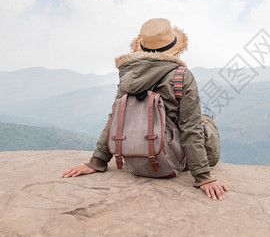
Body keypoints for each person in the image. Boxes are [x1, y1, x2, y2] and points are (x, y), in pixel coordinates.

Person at [62, 18, 228, 201]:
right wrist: (203, 176)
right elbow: (191, 128)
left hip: (136, 154)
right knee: (205, 112)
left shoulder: (128, 76)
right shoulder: (182, 76)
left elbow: (115, 118)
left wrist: (98, 161)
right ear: (174, 48)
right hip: (173, 158)